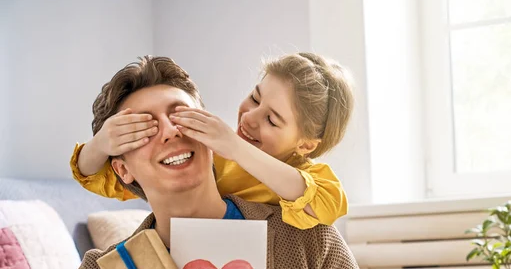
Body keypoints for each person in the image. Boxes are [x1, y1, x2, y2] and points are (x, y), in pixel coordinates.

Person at [52, 56, 406, 269]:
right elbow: (87, 167)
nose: (171, 131)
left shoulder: (309, 240)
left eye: (181, 116)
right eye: (142, 128)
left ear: (210, 133)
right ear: (122, 170)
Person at [70, 52, 353, 230]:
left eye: (272, 120)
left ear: (305, 145)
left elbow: (327, 204)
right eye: (254, 98)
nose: (250, 118)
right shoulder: (207, 153)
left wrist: (235, 148)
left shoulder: (305, 177)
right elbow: (95, 175)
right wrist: (102, 142)